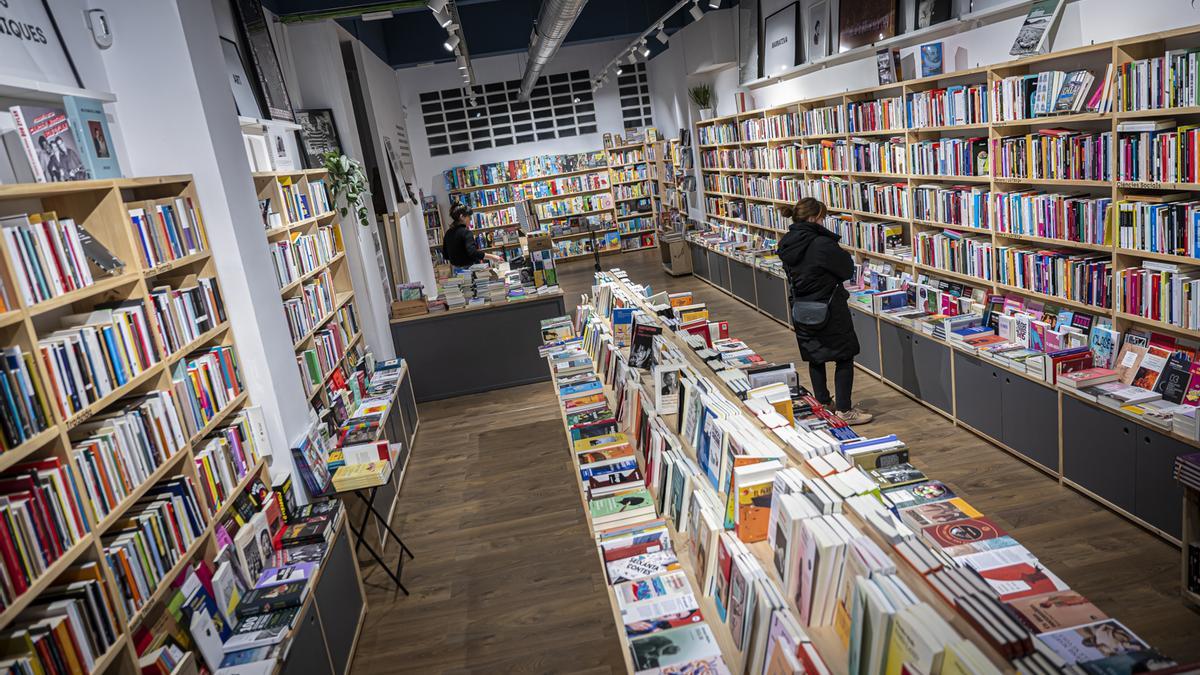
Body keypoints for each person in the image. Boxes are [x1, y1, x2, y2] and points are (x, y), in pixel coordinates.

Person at [776, 197, 872, 425]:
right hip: (829, 308)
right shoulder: (822, 244)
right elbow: (846, 269)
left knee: (815, 357)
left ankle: (822, 403)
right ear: (813, 218)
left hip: (802, 307)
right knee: (844, 356)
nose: (823, 222)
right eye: (822, 217)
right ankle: (845, 410)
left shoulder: (787, 242)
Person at [442, 203, 502, 267]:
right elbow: (473, 253)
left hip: (457, 272)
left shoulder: (448, 233)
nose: (470, 219)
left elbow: (445, 256)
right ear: (462, 217)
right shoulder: (466, 232)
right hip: (469, 268)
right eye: (469, 217)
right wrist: (492, 257)